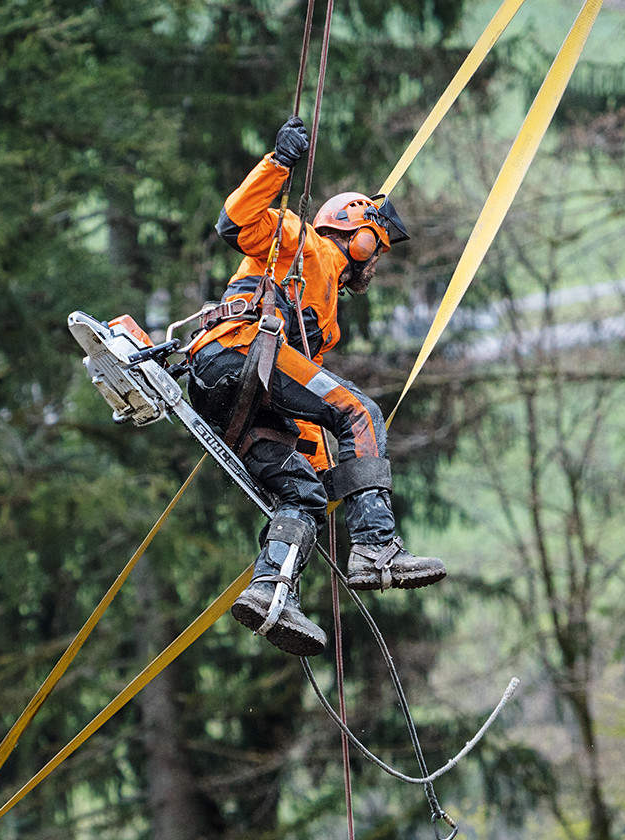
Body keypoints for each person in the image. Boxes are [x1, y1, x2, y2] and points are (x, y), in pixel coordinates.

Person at [185, 116, 445, 657]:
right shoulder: (301, 243)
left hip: (231, 390)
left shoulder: (323, 316)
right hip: (238, 355)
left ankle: (270, 595)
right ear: (360, 232)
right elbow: (233, 223)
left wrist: (328, 477)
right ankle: (376, 548)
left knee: (300, 496)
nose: (377, 261)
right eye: (378, 247)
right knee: (360, 411)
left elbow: (304, 406)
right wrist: (279, 162)